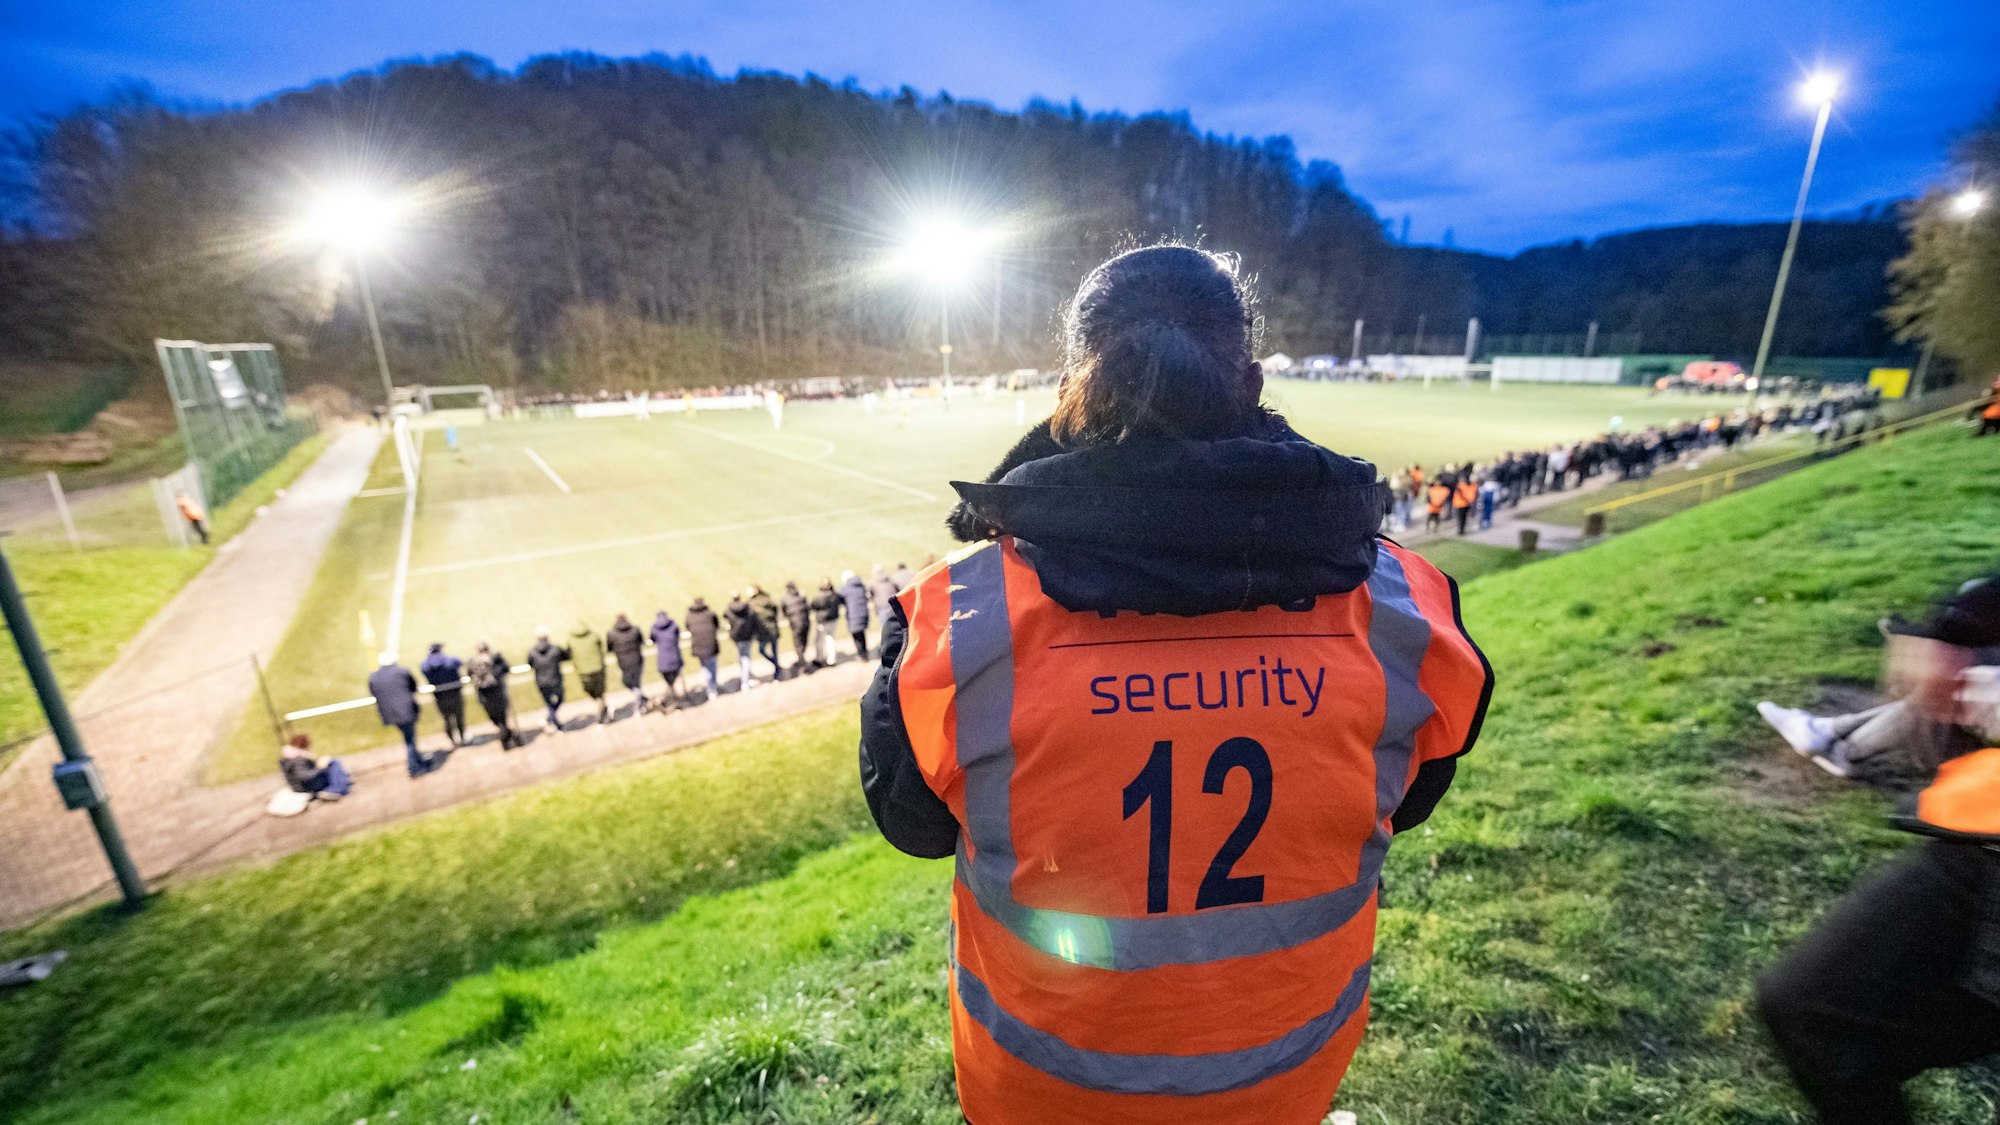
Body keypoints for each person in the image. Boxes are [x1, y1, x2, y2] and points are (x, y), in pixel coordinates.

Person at [858, 244, 1493, 1125]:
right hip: (1288, 1077)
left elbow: (914, 828)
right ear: (1254, 383)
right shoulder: (1408, 607)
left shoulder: (956, 620)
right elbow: (1409, 799)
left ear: (1070, 392)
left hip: (1041, 1095)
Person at [1757, 573, 2000, 1125]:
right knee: (1811, 1010)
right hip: (1982, 844)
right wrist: (1958, 627)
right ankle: (1833, 737)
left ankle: (1832, 738)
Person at [368, 651, 433, 777]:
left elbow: (374, 692)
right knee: (410, 740)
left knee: (409, 738)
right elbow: (413, 686)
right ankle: (414, 768)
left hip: (389, 715)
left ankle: (417, 759)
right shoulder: (402, 672)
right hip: (406, 713)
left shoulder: (374, 677)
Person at [467, 641, 519, 749]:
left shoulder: (473, 662)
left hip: (484, 696)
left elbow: (469, 675)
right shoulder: (495, 659)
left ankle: (507, 737)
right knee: (502, 718)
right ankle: (509, 737)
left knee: (495, 719)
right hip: (498, 694)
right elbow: (506, 668)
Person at [419, 642, 467, 747]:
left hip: (440, 697)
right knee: (459, 717)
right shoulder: (449, 660)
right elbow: (459, 662)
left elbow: (423, 669)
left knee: (447, 719)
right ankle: (462, 737)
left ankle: (452, 740)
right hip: (455, 694)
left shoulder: (426, 664)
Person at [279, 733, 351, 799]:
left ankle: (341, 781)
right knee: (333, 763)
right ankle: (336, 790)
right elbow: (304, 776)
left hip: (301, 786)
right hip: (306, 787)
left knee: (332, 765)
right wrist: (320, 768)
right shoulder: (298, 760)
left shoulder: (290, 757)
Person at [526, 629, 569, 733]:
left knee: (550, 704)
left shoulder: (532, 651)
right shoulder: (555, 649)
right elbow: (566, 656)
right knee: (558, 700)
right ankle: (553, 722)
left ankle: (551, 720)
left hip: (541, 682)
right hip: (555, 680)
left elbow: (530, 663)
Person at [569, 618, 609, 722]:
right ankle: (602, 708)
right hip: (596, 668)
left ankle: (602, 714)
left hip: (585, 671)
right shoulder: (593, 636)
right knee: (599, 693)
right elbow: (602, 649)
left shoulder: (572, 640)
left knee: (594, 692)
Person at [607, 612, 645, 719]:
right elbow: (641, 641)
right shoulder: (635, 630)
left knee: (633, 684)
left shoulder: (612, 633)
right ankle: (641, 700)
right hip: (637, 660)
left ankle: (638, 707)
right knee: (635, 684)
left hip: (624, 663)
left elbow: (609, 648)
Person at [685, 597, 722, 699]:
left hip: (699, 646)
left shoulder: (690, 616)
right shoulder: (710, 613)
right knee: (712, 666)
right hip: (710, 644)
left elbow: (688, 627)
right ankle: (712, 687)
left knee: (705, 667)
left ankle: (711, 687)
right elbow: (717, 624)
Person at [649, 610, 685, 710]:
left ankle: (668, 699)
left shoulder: (655, 628)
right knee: (671, 682)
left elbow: (652, 639)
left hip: (663, 661)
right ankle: (671, 698)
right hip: (675, 659)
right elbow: (677, 635)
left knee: (670, 683)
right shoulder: (673, 625)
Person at [725, 591, 760, 691]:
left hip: (737, 637)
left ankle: (746, 680)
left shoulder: (729, 609)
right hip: (747, 636)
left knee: (743, 658)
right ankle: (747, 678)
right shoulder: (746, 607)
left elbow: (725, 616)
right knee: (745, 658)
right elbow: (753, 617)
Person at [780, 581, 813, 675]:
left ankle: (802, 664)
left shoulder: (785, 598)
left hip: (796, 624)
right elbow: (807, 608)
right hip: (805, 622)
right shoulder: (801, 596)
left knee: (798, 644)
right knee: (803, 642)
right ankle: (802, 661)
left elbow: (784, 611)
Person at [749, 584, 782, 677]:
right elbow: (775, 610)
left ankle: (777, 668)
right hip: (772, 629)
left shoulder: (753, 603)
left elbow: (753, 618)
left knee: (763, 650)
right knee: (774, 651)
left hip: (764, 631)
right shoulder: (767, 599)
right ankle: (777, 668)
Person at [808, 579, 842, 668]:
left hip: (822, 622)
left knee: (819, 640)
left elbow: (812, 606)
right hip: (832, 621)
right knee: (830, 639)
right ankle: (831, 659)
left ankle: (819, 658)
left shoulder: (818, 597)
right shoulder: (835, 595)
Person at [839, 569, 871, 659]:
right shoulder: (861, 586)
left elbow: (841, 599)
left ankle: (861, 655)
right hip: (863, 613)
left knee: (856, 636)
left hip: (853, 615)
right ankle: (864, 652)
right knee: (862, 634)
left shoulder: (845, 589)